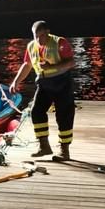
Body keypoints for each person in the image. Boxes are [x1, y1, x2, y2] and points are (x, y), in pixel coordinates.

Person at [9, 20, 75, 161]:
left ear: (48, 32)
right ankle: (44, 145)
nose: (39, 39)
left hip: (62, 82)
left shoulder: (60, 43)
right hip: (44, 84)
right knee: (36, 111)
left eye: (42, 35)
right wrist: (16, 81)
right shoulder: (31, 46)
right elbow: (27, 65)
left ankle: (64, 150)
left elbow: (71, 62)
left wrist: (52, 67)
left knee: (64, 115)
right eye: (36, 36)